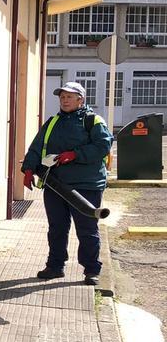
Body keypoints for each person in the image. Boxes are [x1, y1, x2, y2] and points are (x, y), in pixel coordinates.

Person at [20, 81, 113, 286]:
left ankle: (91, 270)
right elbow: (37, 147)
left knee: (87, 229)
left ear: (81, 99)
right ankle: (55, 266)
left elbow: (103, 145)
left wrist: (75, 155)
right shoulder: (53, 122)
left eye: (69, 97)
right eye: (62, 97)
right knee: (57, 228)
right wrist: (28, 169)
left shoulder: (93, 121)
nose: (64, 100)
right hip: (55, 184)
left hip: (86, 185)